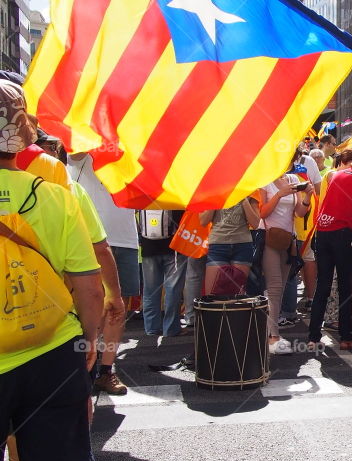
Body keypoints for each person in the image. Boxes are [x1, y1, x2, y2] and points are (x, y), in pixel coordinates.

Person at [0, 78, 104, 461]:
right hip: (47, 355)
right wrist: (90, 341)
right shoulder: (53, 195)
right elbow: (87, 284)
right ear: (24, 135)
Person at [67, 152, 139, 394]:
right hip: (89, 238)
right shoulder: (84, 147)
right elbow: (74, 149)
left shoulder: (131, 149)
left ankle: (106, 370)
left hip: (126, 238)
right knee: (91, 303)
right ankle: (86, 366)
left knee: (118, 307)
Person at [308, 147, 352, 351]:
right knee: (344, 286)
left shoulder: (337, 175)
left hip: (323, 230)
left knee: (322, 286)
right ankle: (345, 337)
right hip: (344, 233)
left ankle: (313, 338)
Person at [259, 171, 311, 355]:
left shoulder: (293, 179)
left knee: (278, 289)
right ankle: (273, 336)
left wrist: (308, 196)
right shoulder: (264, 180)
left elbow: (299, 212)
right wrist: (280, 194)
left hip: (288, 240)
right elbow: (262, 212)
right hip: (269, 239)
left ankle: (269, 329)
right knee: (274, 287)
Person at [135, 207, 186, 340]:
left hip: (148, 247)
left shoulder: (144, 193)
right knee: (173, 290)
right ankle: (171, 328)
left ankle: (151, 328)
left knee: (150, 290)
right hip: (174, 247)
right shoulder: (175, 193)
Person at [198, 197, 261, 295]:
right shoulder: (211, 192)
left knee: (237, 295)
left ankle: (236, 311)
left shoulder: (250, 191)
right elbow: (203, 221)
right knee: (212, 295)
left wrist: (243, 199)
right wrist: (216, 197)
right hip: (218, 245)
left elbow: (256, 224)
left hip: (242, 245)